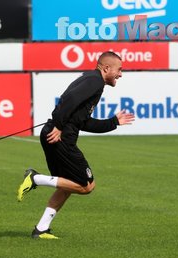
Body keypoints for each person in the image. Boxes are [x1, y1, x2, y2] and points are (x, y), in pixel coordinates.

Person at [17, 51, 135, 239]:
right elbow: (69, 99)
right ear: (106, 68)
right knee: (86, 186)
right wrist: (58, 125)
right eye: (119, 70)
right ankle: (35, 178)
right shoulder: (95, 81)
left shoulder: (91, 79)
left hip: (54, 135)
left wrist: (113, 122)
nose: (120, 74)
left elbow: (83, 121)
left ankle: (41, 229)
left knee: (67, 185)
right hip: (60, 138)